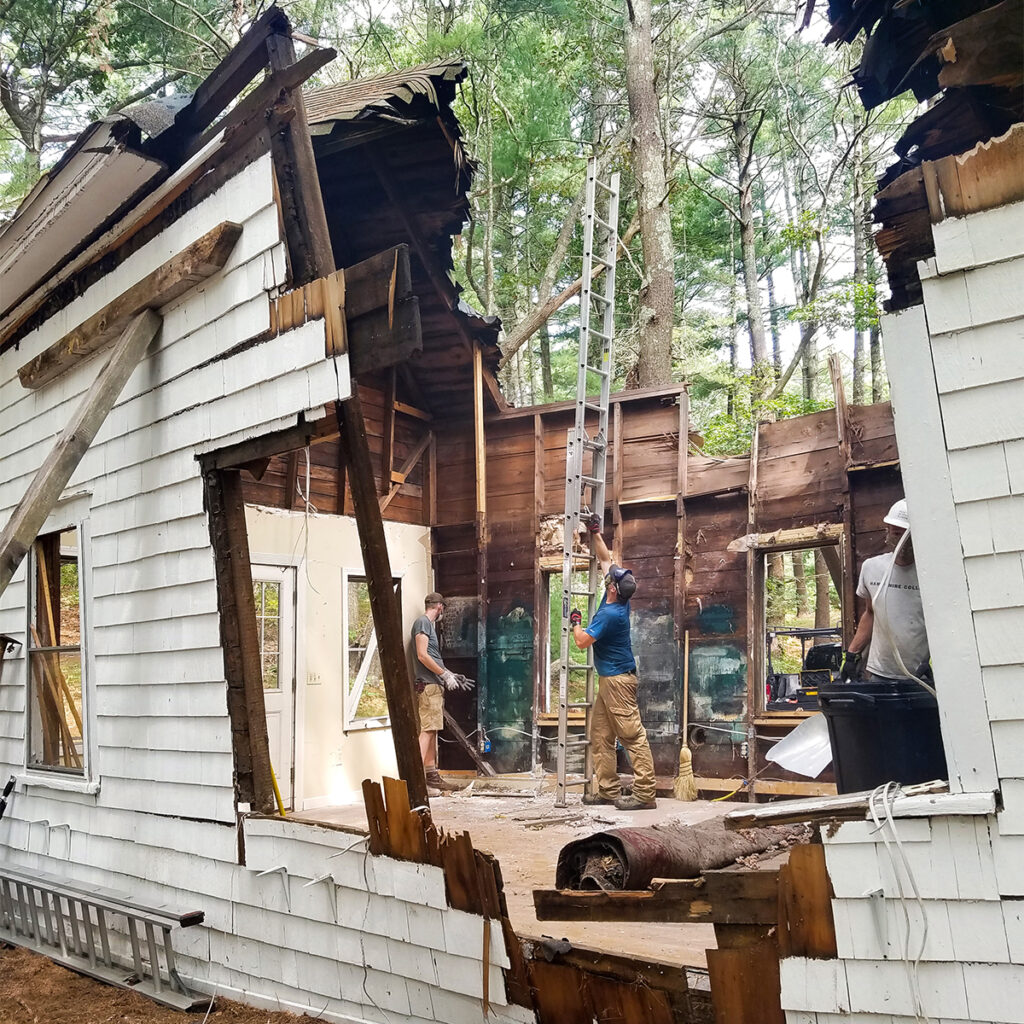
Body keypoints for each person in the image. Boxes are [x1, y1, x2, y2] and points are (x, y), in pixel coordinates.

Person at [569, 516, 657, 810]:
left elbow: (582, 643)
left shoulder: (610, 615)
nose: (610, 571)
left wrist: (576, 623)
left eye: (612, 576)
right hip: (610, 680)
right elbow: (605, 558)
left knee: (632, 735)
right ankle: (608, 790)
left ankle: (645, 794)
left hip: (619, 681)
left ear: (612, 589)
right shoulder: (617, 595)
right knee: (601, 736)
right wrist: (596, 532)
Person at [841, 498, 931, 683]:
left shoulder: (930, 575)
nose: (902, 541)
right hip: (880, 673)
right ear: (888, 531)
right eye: (897, 533)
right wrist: (851, 655)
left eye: (907, 535)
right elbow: (871, 612)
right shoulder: (872, 568)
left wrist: (936, 660)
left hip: (921, 675)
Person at [411, 592, 471, 796]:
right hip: (428, 686)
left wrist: (452, 675)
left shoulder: (427, 625)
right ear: (440, 607)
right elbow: (422, 655)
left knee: (432, 730)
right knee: (427, 730)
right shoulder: (423, 623)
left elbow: (432, 657)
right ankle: (415, 780)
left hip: (433, 685)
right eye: (442, 609)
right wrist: (444, 674)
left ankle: (431, 778)